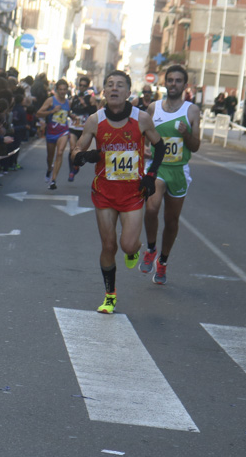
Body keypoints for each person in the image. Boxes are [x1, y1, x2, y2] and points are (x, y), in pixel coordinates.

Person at [71, 70, 165, 314]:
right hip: (104, 191)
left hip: (133, 192)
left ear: (128, 92)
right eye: (110, 85)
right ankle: (110, 295)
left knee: (128, 245)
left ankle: (135, 248)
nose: (114, 89)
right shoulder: (95, 120)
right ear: (103, 91)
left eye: (120, 85)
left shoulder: (142, 118)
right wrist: (84, 156)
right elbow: (77, 150)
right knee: (109, 245)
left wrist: (151, 175)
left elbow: (160, 145)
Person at [139, 65, 201, 285]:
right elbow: (143, 136)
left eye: (178, 81)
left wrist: (187, 135)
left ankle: (163, 262)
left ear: (185, 85)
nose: (173, 84)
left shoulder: (192, 111)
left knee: (171, 220)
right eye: (170, 80)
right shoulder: (153, 108)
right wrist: (144, 149)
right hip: (158, 167)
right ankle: (151, 248)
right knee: (151, 208)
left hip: (179, 170)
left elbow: (195, 147)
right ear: (164, 83)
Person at [36, 79, 71, 189]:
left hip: (63, 131)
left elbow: (67, 113)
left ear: (67, 90)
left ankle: (53, 180)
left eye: (64, 89)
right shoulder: (50, 100)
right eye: (60, 89)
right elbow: (38, 113)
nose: (62, 91)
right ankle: (49, 169)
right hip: (51, 131)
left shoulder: (68, 102)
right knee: (50, 156)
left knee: (60, 152)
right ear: (57, 90)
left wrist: (73, 117)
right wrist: (52, 111)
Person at [68, 76, 98, 182]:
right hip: (73, 125)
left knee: (80, 150)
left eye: (84, 86)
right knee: (72, 148)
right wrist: (70, 115)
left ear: (87, 87)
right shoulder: (74, 97)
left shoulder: (90, 98)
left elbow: (94, 112)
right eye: (80, 85)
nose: (81, 87)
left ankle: (77, 165)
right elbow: (70, 110)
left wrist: (85, 104)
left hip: (84, 128)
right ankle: (72, 170)